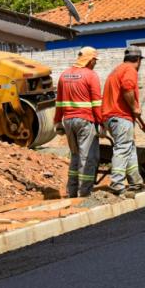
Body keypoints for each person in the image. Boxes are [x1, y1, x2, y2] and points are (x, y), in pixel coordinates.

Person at [55, 46, 103, 197]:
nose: (95, 63)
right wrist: (101, 123)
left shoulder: (64, 75)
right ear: (89, 60)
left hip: (68, 121)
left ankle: (72, 191)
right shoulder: (91, 75)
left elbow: (59, 102)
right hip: (85, 121)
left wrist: (57, 121)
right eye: (94, 60)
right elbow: (96, 103)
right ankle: (85, 193)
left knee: (75, 155)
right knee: (87, 157)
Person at [102, 46, 145, 196]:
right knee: (122, 148)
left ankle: (136, 182)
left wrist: (138, 119)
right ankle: (116, 183)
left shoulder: (117, 70)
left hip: (112, 117)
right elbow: (127, 88)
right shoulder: (130, 70)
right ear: (138, 60)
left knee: (129, 148)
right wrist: (134, 107)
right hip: (120, 116)